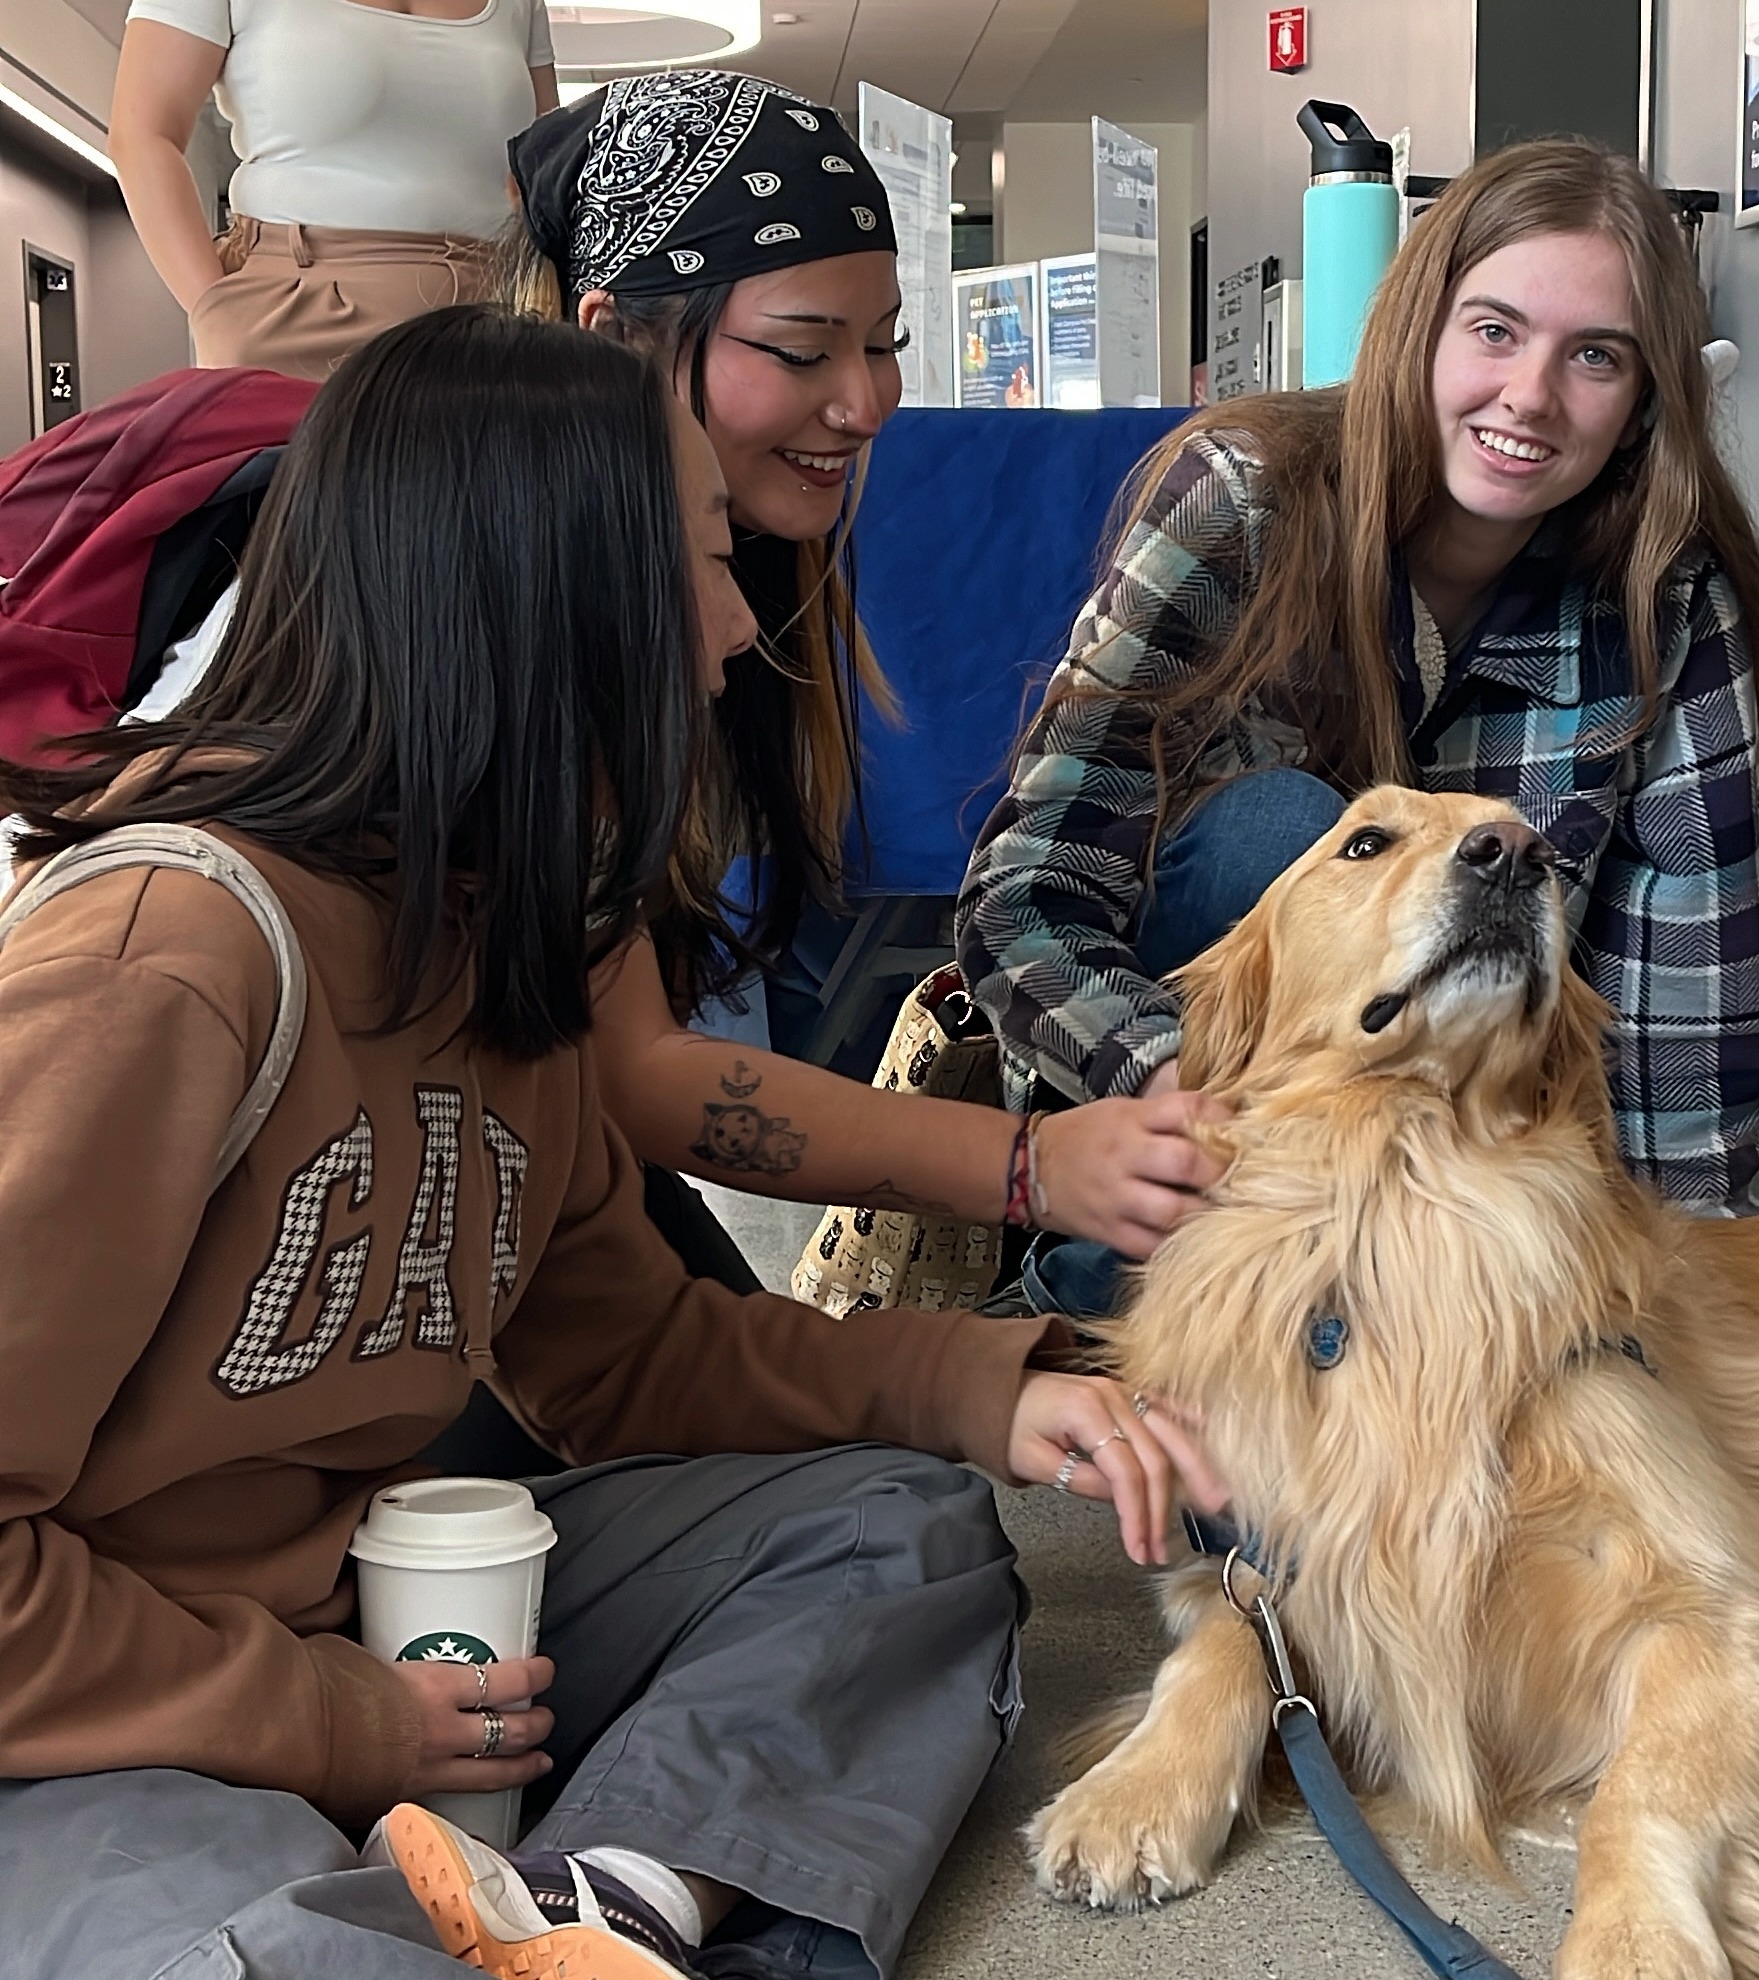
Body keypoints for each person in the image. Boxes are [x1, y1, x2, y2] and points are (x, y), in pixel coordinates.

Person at [0, 307, 1220, 1980]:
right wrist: (332, 1724)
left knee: (895, 1537)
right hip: (93, 1706)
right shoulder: (169, 955)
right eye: (702, 564)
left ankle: (596, 1920)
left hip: (366, 1605)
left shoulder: (505, 937)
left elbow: (628, 1359)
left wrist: (985, 1391)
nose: (733, 633)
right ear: (541, 602)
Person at [959, 141, 1759, 1318]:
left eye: (1595, 356)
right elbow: (1027, 898)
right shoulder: (1243, 500)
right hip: (1213, 1103)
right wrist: (1200, 1110)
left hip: (1473, 1154)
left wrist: (1678, 1306)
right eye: (1494, 331)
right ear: (1418, 327)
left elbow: (1683, 1023)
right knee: (1287, 830)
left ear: (1646, 399)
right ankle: (1121, 1279)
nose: (1532, 397)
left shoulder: (1668, 598)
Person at [502, 73, 1226, 1273]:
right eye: (802, 351)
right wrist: (1031, 1168)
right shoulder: (514, 604)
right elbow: (644, 1075)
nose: (867, 400)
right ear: (614, 341)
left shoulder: (738, 575)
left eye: (886, 344)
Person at [109, 0, 559, 378]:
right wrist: (215, 309)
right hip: (300, 313)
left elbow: (552, 165)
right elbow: (142, 133)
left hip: (497, 317)